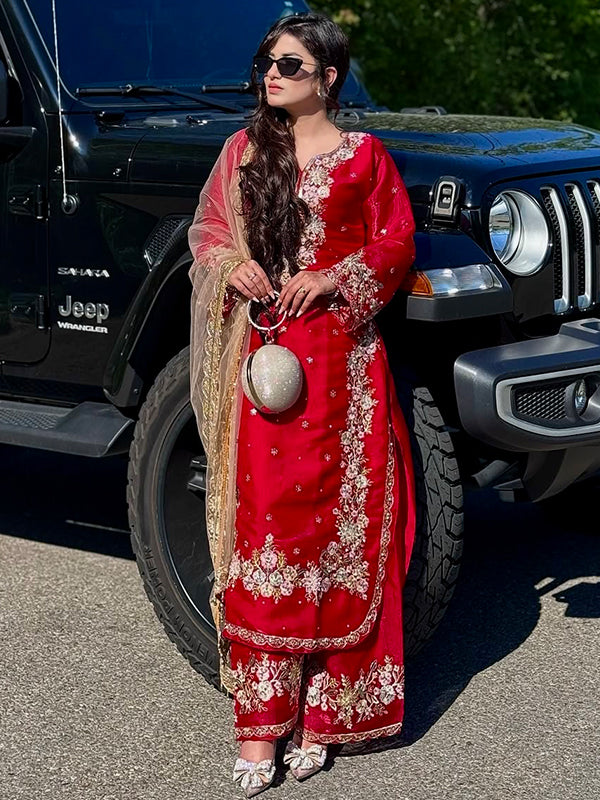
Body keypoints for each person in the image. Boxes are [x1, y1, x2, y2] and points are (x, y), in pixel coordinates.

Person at [188, 12, 416, 797]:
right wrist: (236, 268)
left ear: (329, 78)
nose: (272, 75)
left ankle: (324, 713)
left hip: (345, 369)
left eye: (290, 64)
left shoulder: (366, 157)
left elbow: (395, 244)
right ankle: (260, 726)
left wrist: (334, 275)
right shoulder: (245, 152)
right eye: (267, 62)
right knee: (268, 528)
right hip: (268, 362)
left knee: (338, 534)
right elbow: (208, 236)